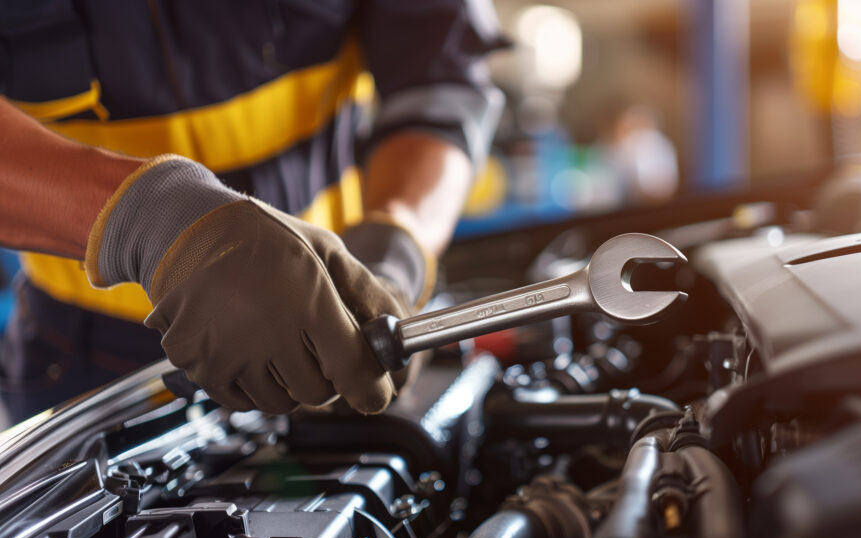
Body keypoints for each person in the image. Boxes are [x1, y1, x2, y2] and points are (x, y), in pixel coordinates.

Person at [0, 1, 505, 422]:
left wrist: (397, 249)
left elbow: (442, 77)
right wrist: (148, 220)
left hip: (337, 324)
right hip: (91, 363)